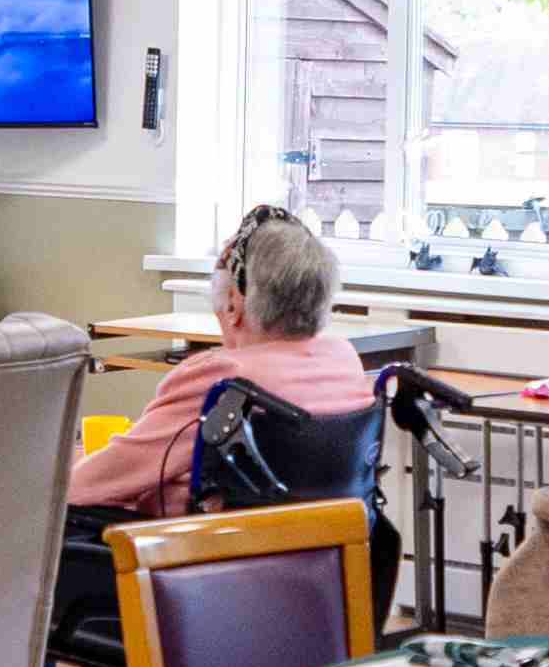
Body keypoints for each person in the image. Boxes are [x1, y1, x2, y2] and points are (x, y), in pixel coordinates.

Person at [65, 206, 371, 519]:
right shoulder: (344, 359)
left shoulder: (226, 380)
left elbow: (90, 485)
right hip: (327, 559)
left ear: (233, 305)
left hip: (221, 561)